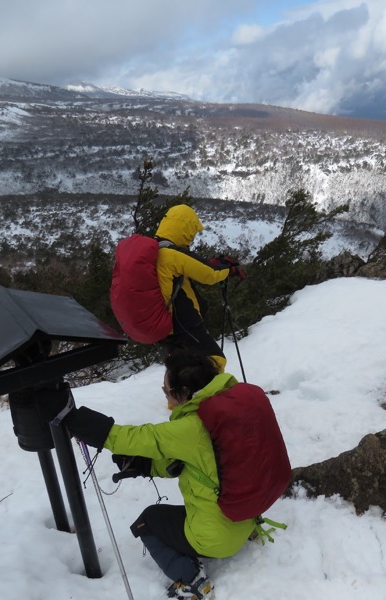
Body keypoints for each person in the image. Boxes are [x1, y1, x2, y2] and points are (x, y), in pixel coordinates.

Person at [62, 349, 258, 600]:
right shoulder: (230, 409)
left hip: (219, 538)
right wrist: (146, 467)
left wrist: (75, 419)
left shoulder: (192, 427)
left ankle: (191, 580)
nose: (166, 397)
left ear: (184, 391)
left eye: (166, 391)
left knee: (148, 522)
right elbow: (198, 462)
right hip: (247, 517)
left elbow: (129, 437)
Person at [154, 205, 245, 372]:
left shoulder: (154, 249)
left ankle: (180, 397)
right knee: (213, 361)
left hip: (163, 324)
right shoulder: (171, 254)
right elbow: (210, 275)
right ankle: (211, 397)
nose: (192, 238)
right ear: (184, 228)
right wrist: (230, 270)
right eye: (191, 232)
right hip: (182, 321)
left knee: (181, 367)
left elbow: (185, 269)